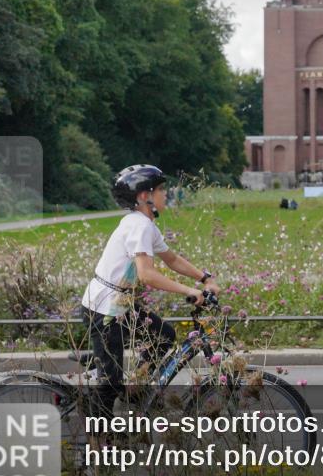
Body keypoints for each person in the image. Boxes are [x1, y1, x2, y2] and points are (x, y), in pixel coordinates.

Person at [80, 164, 222, 421]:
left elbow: (172, 259)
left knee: (164, 335)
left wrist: (205, 278)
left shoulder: (145, 224)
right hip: (104, 308)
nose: (165, 194)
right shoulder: (139, 226)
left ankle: (135, 389)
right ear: (144, 196)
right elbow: (146, 274)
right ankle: (98, 441)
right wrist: (190, 290)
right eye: (161, 190)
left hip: (118, 303)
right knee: (109, 385)